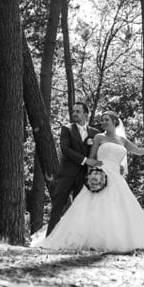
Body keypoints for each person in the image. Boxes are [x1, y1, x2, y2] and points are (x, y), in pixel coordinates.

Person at [33, 109, 144, 253]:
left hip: (117, 179)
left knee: (119, 209)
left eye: (107, 119)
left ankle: (118, 241)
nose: (103, 122)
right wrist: (91, 178)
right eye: (102, 120)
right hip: (99, 175)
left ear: (115, 121)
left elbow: (139, 151)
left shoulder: (122, 140)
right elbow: (92, 157)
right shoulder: (99, 138)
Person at [45, 101, 101, 236]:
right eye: (74, 111)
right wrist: (86, 160)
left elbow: (99, 152)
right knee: (58, 206)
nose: (74, 114)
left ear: (85, 114)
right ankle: (49, 239)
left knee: (80, 208)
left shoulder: (95, 133)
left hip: (84, 176)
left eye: (78, 111)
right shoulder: (67, 129)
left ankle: (75, 239)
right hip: (66, 174)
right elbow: (65, 150)